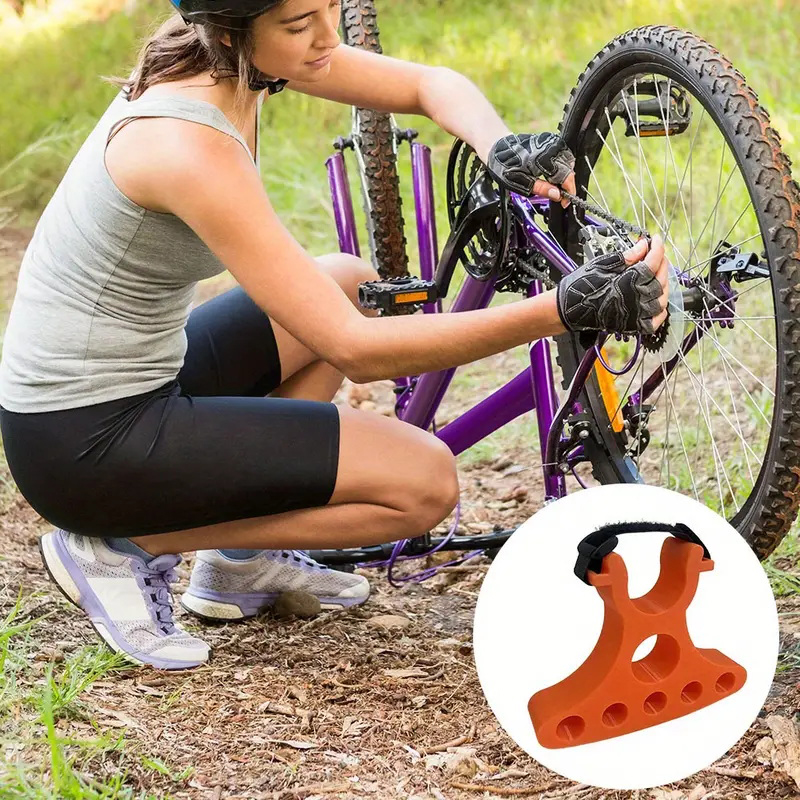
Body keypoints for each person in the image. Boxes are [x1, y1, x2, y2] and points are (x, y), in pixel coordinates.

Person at [0, 0, 669, 670]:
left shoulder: (232, 57)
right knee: (424, 483)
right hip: (82, 440)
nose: (327, 37)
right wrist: (562, 309)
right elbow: (354, 350)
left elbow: (427, 83)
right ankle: (125, 544)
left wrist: (500, 145)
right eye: (300, 25)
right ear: (231, 31)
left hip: (140, 378)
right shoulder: (188, 145)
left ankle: (239, 560)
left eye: (329, 6)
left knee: (346, 280)